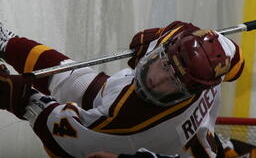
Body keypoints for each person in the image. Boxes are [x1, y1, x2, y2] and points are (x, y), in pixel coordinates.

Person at [0, 20, 244, 158]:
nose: (155, 81)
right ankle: (6, 42)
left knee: (72, 85)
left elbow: (62, 141)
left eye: (173, 83)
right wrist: (159, 35)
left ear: (191, 90)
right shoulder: (210, 59)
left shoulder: (132, 126)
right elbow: (236, 61)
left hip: (153, 143)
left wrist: (24, 101)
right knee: (80, 82)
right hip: (195, 144)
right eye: (164, 64)